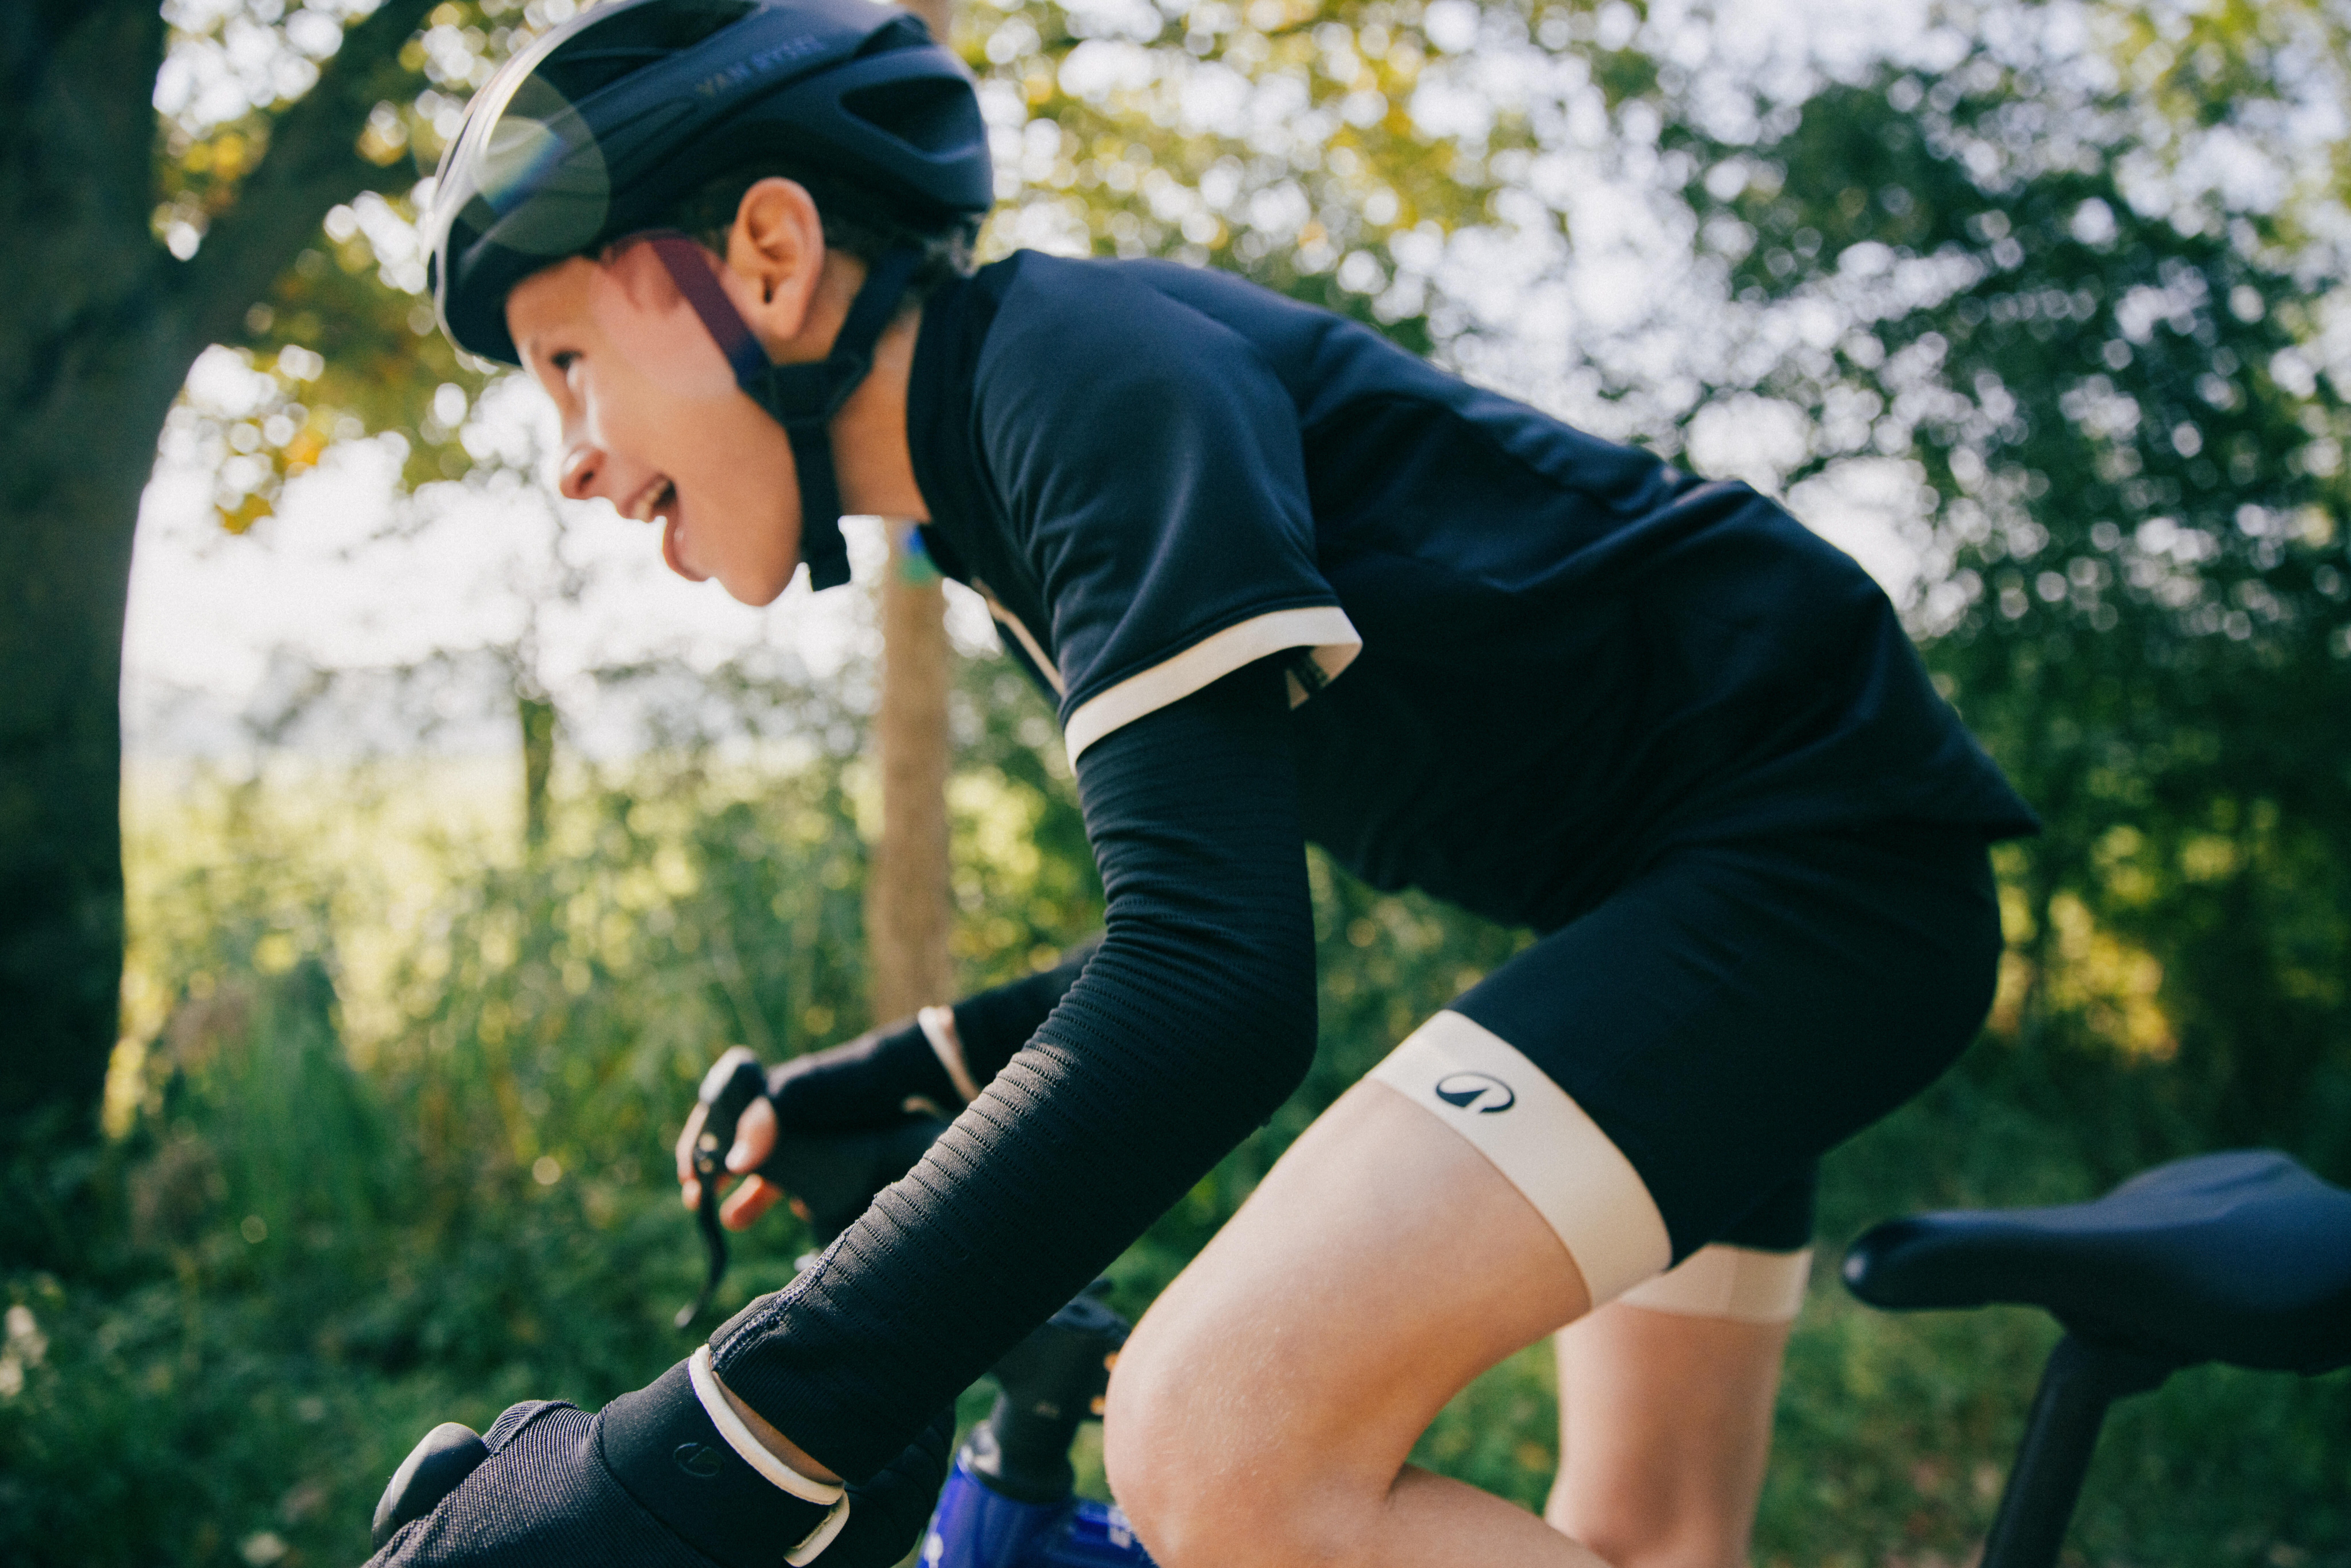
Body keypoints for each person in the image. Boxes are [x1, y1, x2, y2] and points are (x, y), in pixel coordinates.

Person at [376, 0, 2037, 1563]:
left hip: (1811, 870)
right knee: (1642, 1537)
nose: (570, 457)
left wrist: (719, 1453)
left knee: (1220, 1432)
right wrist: (894, 1073)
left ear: (771, 256)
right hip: (1726, 905)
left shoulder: (1078, 380)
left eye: (568, 361)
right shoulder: (1005, 471)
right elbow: (1197, 917)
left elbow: (1215, 993)